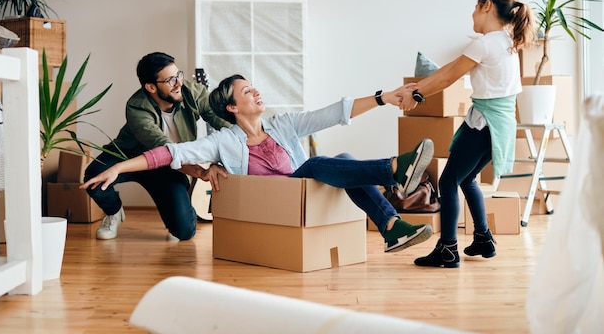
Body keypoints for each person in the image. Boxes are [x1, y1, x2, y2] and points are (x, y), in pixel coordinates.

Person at [82, 74, 436, 253]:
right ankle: (392, 170)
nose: (256, 92)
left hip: (303, 195)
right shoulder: (225, 140)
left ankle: (390, 226)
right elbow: (173, 154)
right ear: (232, 108)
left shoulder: (282, 125)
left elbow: (330, 114)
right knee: (315, 166)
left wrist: (383, 98)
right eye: (247, 90)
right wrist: (118, 168)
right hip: (274, 207)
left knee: (336, 160)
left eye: (254, 87)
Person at [396, 0, 536, 268]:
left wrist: (417, 94)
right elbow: (450, 67)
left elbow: (449, 76)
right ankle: (483, 238)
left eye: (474, 7)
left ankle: (448, 249)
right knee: (467, 179)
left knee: (448, 182)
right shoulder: (505, 42)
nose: (472, 13)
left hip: (484, 124)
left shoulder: (485, 44)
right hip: (499, 125)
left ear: (486, 6)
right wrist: (417, 87)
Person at [84, 52, 230, 241]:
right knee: (94, 178)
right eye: (170, 80)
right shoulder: (137, 107)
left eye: (179, 75)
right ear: (151, 87)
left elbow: (220, 121)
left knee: (185, 232)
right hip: (130, 156)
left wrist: (244, 140)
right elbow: (162, 147)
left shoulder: (191, 92)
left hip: (167, 165)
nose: (179, 83)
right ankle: (113, 212)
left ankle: (179, 216)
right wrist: (198, 172)